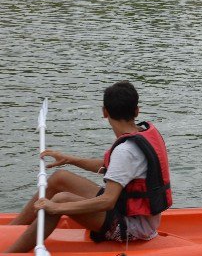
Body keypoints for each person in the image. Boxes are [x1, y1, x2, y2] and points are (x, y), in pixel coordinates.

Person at [5, 81, 172, 253]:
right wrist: (69, 159)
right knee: (60, 177)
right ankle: (8, 232)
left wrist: (57, 208)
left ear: (104, 112)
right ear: (137, 111)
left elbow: (108, 201)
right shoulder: (141, 134)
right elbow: (111, 166)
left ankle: (11, 253)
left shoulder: (126, 150)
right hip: (126, 211)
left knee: (60, 199)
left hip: (133, 228)